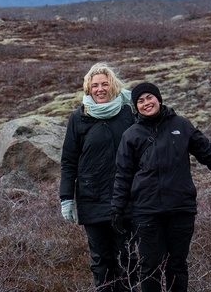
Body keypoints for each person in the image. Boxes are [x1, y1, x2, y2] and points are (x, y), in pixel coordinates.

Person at [111, 82, 211, 292]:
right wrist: (117, 209)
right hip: (146, 212)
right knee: (150, 267)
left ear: (159, 99)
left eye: (149, 98)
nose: (146, 103)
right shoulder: (131, 135)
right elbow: (123, 175)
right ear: (136, 107)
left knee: (177, 265)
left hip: (180, 208)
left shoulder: (181, 125)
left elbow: (210, 155)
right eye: (140, 101)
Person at [59, 63, 138, 292]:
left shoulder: (128, 114)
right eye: (95, 85)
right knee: (101, 261)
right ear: (88, 88)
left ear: (112, 85)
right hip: (91, 200)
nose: (100, 89)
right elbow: (69, 161)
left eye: (104, 84)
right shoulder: (78, 118)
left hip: (126, 199)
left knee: (127, 258)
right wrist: (66, 198)